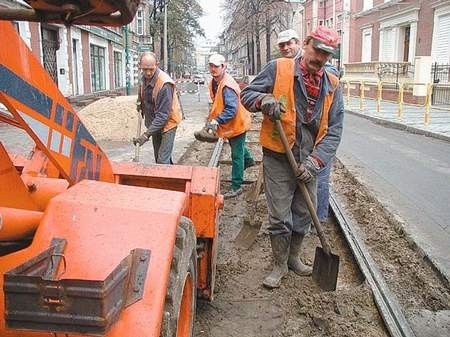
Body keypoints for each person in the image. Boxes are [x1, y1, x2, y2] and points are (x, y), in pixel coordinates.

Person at [240, 26, 344, 289]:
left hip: (309, 159)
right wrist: (264, 99)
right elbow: (246, 95)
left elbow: (334, 131)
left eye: (326, 54)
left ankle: (294, 258)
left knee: (303, 213)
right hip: (278, 156)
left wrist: (314, 163)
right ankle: (278, 264)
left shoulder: (331, 85)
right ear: (306, 44)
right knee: (279, 216)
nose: (320, 57)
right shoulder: (279, 68)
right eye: (317, 49)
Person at [207, 54, 254, 199]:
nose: (213, 69)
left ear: (224, 67)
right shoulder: (215, 82)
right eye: (211, 66)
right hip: (231, 124)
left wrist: (217, 120)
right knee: (238, 147)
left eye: (216, 66)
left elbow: (231, 110)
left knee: (236, 155)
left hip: (237, 123)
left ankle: (236, 186)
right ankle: (249, 160)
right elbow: (217, 104)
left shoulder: (227, 86)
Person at [132, 52, 182, 164]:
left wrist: (146, 135)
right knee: (158, 157)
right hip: (155, 122)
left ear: (157, 64)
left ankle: (167, 179)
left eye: (151, 69)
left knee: (162, 160)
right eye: (144, 69)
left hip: (169, 123)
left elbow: (163, 116)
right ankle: (173, 179)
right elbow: (143, 93)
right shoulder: (143, 78)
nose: (148, 73)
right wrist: (140, 102)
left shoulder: (165, 84)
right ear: (139, 66)